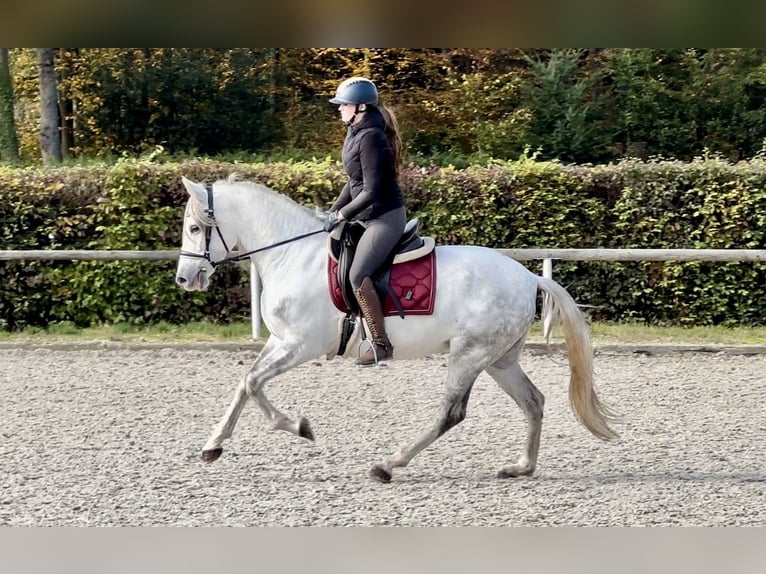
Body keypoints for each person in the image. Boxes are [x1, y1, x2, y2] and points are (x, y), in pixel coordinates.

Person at [324, 76, 406, 366]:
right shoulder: (355, 131)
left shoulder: (372, 137)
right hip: (366, 216)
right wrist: (332, 212)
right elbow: (354, 181)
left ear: (359, 107)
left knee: (358, 274)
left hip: (384, 218)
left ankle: (381, 344)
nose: (339, 109)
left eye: (343, 104)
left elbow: (372, 190)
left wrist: (343, 215)